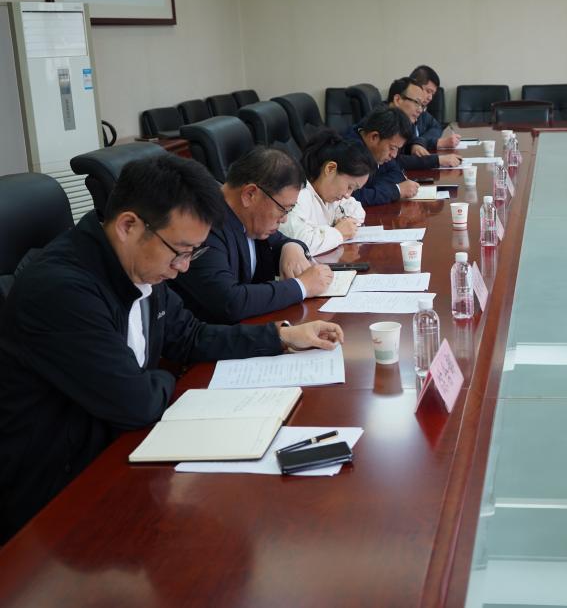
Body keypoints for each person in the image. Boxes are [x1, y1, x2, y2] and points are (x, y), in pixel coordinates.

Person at [0, 155, 343, 542]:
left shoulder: (141, 264)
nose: (184, 267)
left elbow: (190, 335)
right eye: (180, 251)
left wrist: (279, 337)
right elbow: (136, 402)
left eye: (193, 252)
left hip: (125, 449)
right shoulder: (62, 291)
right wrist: (168, 377)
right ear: (129, 226)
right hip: (58, 499)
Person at [171, 147, 334, 324]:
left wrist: (291, 247)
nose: (284, 219)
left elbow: (279, 241)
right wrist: (302, 286)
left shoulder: (248, 218)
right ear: (250, 194)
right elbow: (230, 301)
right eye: (283, 209)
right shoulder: (204, 224)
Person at [279, 129, 376, 255]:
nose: (348, 195)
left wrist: (342, 222)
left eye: (354, 189)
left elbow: (357, 210)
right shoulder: (297, 195)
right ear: (330, 169)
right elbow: (298, 243)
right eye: (349, 186)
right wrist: (338, 233)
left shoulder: (329, 194)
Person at [345, 105, 418, 206]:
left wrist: (375, 190)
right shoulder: (349, 151)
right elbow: (349, 197)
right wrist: (396, 191)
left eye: (397, 149)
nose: (394, 155)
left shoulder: (378, 151)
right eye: (392, 148)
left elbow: (397, 173)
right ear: (374, 137)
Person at [386, 77, 462, 168]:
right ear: (398, 100)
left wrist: (416, 144)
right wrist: (436, 160)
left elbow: (412, 140)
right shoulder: (382, 122)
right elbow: (391, 161)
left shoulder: (403, 119)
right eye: (416, 102)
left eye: (422, 105)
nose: (420, 110)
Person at [409, 64, 461, 150]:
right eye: (428, 91)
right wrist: (437, 143)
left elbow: (436, 126)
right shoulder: (398, 113)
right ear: (413, 86)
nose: (430, 98)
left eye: (432, 94)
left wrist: (420, 142)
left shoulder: (422, 111)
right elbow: (405, 147)